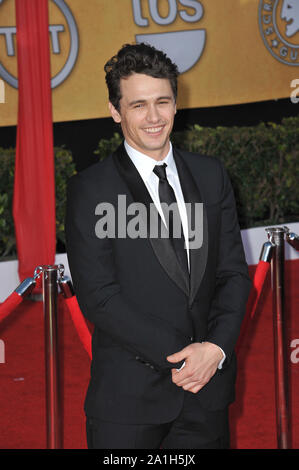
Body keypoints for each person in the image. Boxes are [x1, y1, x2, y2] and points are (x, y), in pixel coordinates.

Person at [65, 43, 252, 449]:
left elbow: (233, 275)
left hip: (206, 394)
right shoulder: (91, 189)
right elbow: (99, 297)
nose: (153, 117)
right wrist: (186, 355)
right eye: (138, 105)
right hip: (129, 404)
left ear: (176, 104)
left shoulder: (210, 175)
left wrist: (216, 350)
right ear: (115, 111)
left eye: (162, 102)